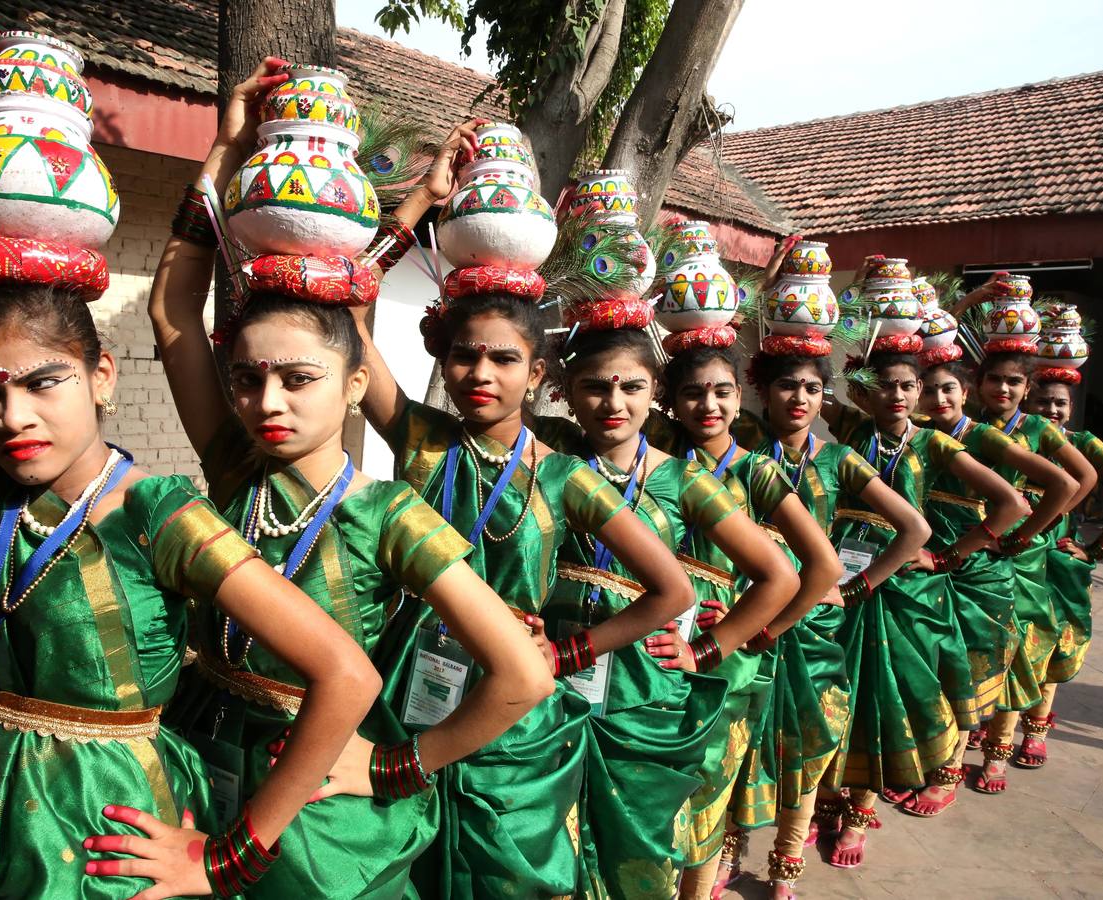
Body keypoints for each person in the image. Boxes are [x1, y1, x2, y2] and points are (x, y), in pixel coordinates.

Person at [0, 203, 380, 898]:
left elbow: (347, 674)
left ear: (102, 377)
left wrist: (231, 858)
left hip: (105, 827)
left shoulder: (159, 515)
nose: (14, 417)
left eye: (43, 381)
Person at [137, 68, 555, 898]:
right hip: (191, 750)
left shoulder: (388, 511)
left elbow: (524, 676)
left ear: (356, 385)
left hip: (317, 796)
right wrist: (224, 148)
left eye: (299, 379)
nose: (268, 402)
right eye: (250, 378)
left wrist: (398, 766)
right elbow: (173, 310)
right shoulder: (234, 464)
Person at [352, 127, 696, 899]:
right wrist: (422, 201)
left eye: (504, 359)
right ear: (444, 361)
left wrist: (571, 653)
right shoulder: (421, 439)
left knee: (505, 874)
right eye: (465, 355)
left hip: (514, 702)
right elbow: (347, 307)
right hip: (406, 674)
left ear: (538, 374)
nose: (480, 372)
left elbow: (670, 592)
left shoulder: (569, 477)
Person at [535, 314, 798, 897]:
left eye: (631, 387)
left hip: (642, 685)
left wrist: (709, 648)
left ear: (655, 394)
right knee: (548, 831)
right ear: (566, 392)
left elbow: (779, 577)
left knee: (636, 841)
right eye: (595, 386)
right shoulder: (545, 455)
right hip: (550, 671)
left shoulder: (683, 479)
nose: (613, 403)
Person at [643, 331, 842, 899]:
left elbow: (822, 565)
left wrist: (760, 630)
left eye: (722, 392)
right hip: (652, 638)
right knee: (657, 783)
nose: (709, 406)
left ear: (740, 399)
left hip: (721, 653)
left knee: (708, 784)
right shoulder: (654, 463)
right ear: (669, 401)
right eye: (692, 394)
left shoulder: (757, 471)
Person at [818, 339, 1025, 867]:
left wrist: (950, 556)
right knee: (834, 690)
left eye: (909, 386)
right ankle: (829, 794)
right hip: (840, 576)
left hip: (905, 589)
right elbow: (802, 380)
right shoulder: (849, 431)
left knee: (889, 701)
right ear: (865, 391)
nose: (900, 395)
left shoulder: (934, 444)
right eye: (887, 385)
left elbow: (1012, 503)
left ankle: (861, 813)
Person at [744, 339, 930, 897]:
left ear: (825, 397)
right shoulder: (740, 449)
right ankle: (729, 843)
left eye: (811, 388)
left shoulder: (838, 457)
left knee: (807, 736)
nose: (799, 398)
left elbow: (914, 530)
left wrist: (853, 589)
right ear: (762, 392)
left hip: (816, 624)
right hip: (745, 611)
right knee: (744, 734)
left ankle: (784, 863)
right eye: (786, 385)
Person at [914, 344, 1074, 812]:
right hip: (932, 560)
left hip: (978, 569)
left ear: (965, 392)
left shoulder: (984, 438)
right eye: (929, 389)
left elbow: (1065, 485)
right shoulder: (921, 434)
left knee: (982, 668)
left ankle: (961, 769)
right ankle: (937, 758)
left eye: (948, 388)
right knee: (939, 667)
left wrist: (1017, 537)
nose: (939, 398)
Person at [1025, 323, 1103, 769]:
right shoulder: (1015, 441)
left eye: (1060, 404)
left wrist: (1096, 550)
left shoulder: (1083, 445)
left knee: (1052, 643)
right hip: (1015, 558)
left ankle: (1035, 731)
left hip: (1058, 560)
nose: (1051, 410)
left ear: (1071, 408)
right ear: (1028, 401)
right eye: (1043, 401)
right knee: (1014, 641)